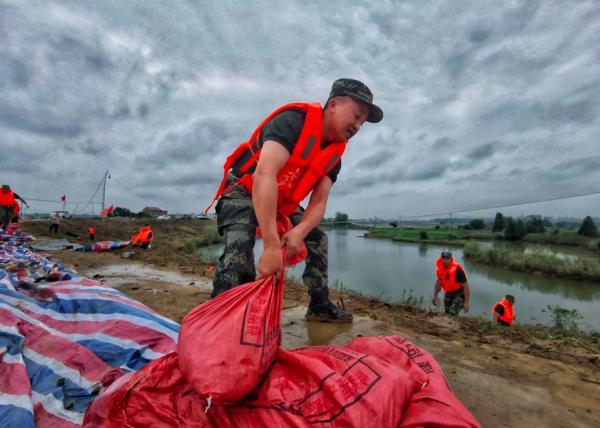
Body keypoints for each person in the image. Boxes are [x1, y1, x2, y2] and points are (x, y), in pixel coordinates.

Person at [208, 78, 383, 323]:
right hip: (244, 190)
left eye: (362, 122)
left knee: (318, 238)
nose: (357, 126)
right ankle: (219, 316)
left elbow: (319, 202)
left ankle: (319, 305)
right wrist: (271, 246)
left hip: (282, 202)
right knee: (239, 251)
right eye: (356, 115)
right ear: (332, 105)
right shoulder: (292, 122)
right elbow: (264, 175)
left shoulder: (335, 157)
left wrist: (299, 231)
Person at [432, 251, 471, 316]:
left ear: (451, 259)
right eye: (443, 258)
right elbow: (438, 282)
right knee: (446, 314)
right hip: (448, 293)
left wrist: (466, 303)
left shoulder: (458, 271)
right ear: (441, 259)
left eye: (447, 258)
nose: (445, 260)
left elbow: (466, 287)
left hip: (459, 294)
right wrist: (435, 296)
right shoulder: (440, 270)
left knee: (452, 313)